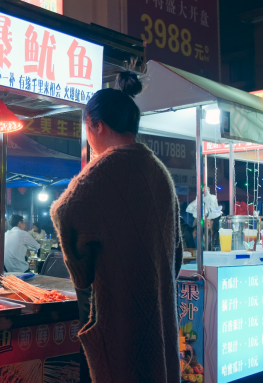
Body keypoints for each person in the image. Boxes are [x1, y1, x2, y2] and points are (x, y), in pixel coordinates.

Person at [50, 72, 183, 383]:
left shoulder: (99, 172)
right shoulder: (160, 173)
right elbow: (175, 256)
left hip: (118, 319)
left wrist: (82, 267)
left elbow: (63, 213)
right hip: (159, 312)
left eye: (87, 129)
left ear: (97, 125)